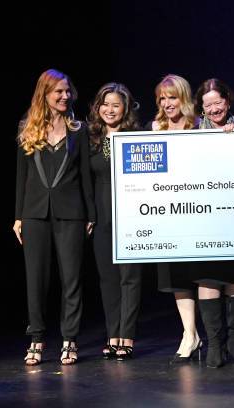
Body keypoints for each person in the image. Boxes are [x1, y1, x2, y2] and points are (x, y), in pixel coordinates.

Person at [13, 69, 95, 366]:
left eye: (67, 91)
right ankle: (36, 338)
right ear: (44, 94)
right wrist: (18, 215)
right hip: (34, 213)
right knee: (35, 279)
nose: (64, 96)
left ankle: (69, 339)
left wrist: (90, 214)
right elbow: (21, 176)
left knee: (71, 279)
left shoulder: (78, 130)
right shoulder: (27, 128)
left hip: (71, 213)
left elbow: (85, 175)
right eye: (58, 91)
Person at [192, 78, 234, 368]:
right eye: (208, 105)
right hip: (205, 215)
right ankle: (214, 344)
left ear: (227, 102)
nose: (214, 108)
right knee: (208, 277)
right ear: (201, 109)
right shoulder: (191, 134)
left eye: (218, 102)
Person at [87, 82, 143, 361]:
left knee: (129, 277)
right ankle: (112, 334)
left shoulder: (136, 137)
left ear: (125, 108)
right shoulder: (91, 138)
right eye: (105, 104)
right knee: (108, 278)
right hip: (101, 216)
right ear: (98, 107)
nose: (110, 110)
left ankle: (127, 335)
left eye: (116, 105)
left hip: (132, 215)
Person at [150, 74, 202, 363]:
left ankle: (208, 337)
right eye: (162, 98)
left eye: (172, 97)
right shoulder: (155, 128)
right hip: (168, 213)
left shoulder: (199, 126)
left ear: (183, 98)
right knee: (175, 276)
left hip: (198, 210)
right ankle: (189, 333)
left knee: (201, 275)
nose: (167, 103)